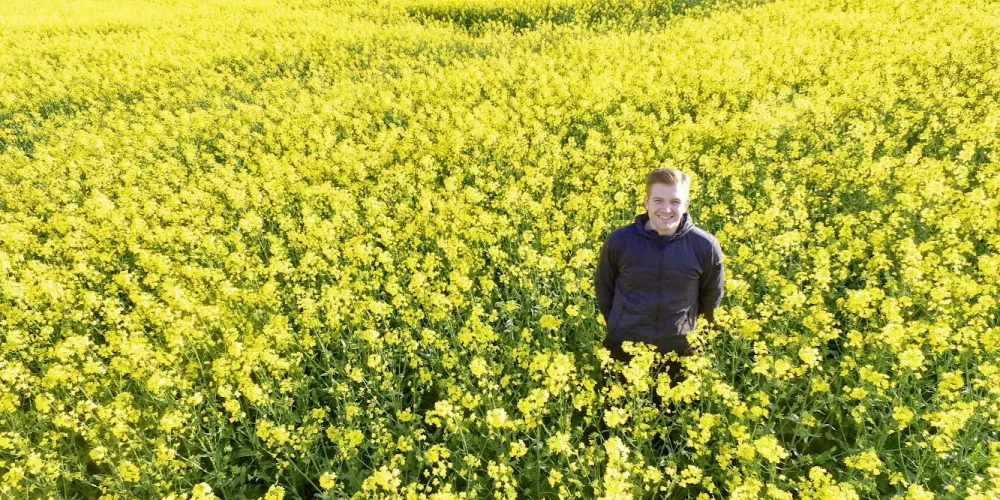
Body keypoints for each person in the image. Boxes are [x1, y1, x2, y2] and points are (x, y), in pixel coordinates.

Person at [595, 168, 725, 388]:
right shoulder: (619, 241)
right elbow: (604, 289)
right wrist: (620, 325)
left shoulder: (705, 246)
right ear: (646, 202)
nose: (666, 209)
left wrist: (691, 336)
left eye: (675, 201)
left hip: (678, 351)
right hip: (624, 347)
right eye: (658, 200)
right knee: (617, 413)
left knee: (673, 418)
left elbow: (711, 298)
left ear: (686, 205)